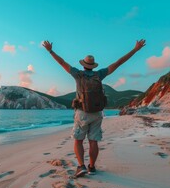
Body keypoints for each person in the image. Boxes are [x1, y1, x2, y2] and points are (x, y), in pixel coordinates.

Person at [43, 39, 146, 177]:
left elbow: (62, 62)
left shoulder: (77, 74)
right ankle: (91, 167)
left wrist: (50, 50)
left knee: (78, 140)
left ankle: (81, 166)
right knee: (93, 141)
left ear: (84, 65)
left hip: (82, 113)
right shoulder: (100, 74)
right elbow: (118, 63)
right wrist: (135, 49)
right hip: (97, 113)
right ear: (93, 65)